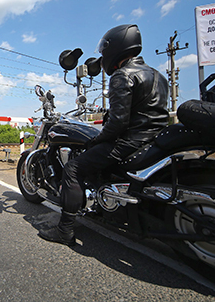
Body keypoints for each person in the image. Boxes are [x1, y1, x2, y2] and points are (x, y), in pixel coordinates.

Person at [38, 24, 170, 246]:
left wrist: (96, 140)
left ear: (116, 48)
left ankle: (65, 230)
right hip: (153, 140)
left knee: (73, 168)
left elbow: (118, 122)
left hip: (129, 142)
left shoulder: (123, 75)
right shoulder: (157, 75)